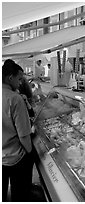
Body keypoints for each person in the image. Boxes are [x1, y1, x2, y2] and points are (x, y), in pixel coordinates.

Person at [2, 59, 34, 201]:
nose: (21, 83)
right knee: (19, 196)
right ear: (10, 78)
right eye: (19, 79)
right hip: (16, 157)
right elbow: (24, 136)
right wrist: (31, 153)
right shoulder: (15, 99)